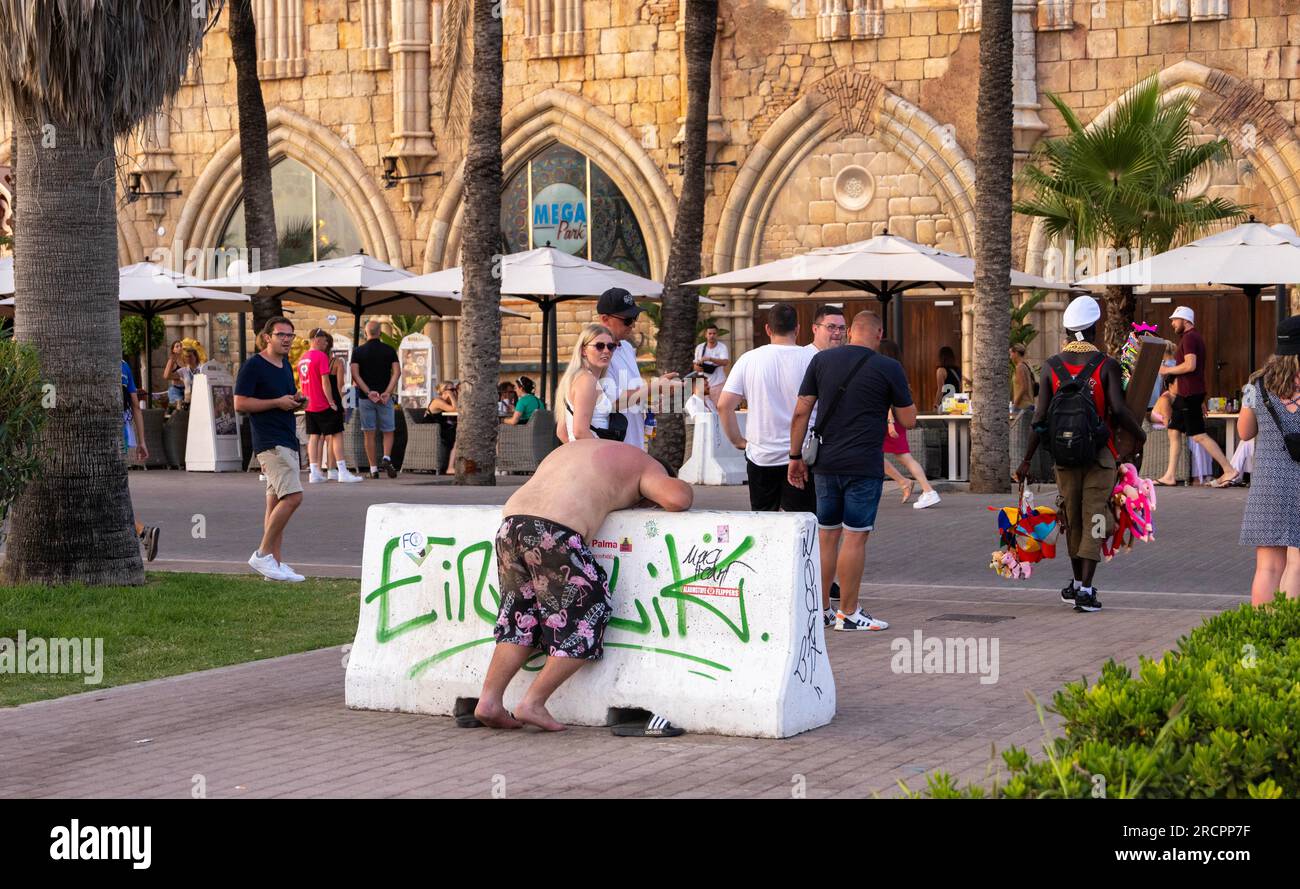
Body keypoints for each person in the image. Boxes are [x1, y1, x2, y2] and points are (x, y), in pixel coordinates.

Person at [473, 439, 694, 731]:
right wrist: (682, 485)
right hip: (554, 531)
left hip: (511, 525)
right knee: (589, 614)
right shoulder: (646, 465)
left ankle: (489, 700)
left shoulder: (581, 449)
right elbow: (677, 499)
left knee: (520, 617)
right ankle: (533, 703)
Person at [1015, 295, 1145, 614]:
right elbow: (1118, 408)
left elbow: (1040, 418)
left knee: (1071, 518)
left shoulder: (1051, 367)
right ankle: (1086, 589)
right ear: (1093, 330)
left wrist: (1027, 459)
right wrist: (1140, 435)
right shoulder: (1106, 365)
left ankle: (1076, 585)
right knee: (1096, 517)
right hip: (1100, 456)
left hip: (1064, 457)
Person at [790, 310, 912, 632]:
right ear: (879, 333)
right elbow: (908, 420)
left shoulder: (821, 361)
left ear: (850, 332)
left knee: (826, 536)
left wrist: (794, 456)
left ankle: (822, 611)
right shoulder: (889, 367)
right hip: (864, 465)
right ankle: (849, 612)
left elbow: (802, 411)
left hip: (825, 464)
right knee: (855, 538)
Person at [718, 303, 816, 514]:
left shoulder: (749, 359)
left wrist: (738, 441)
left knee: (763, 521)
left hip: (761, 454)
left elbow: (724, 406)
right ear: (797, 329)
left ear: (768, 330)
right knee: (802, 522)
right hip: (802, 455)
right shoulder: (812, 359)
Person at [235, 316, 308, 583]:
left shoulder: (285, 366)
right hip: (270, 441)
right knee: (294, 497)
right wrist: (277, 402)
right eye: (282, 335)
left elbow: (285, 399)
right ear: (267, 337)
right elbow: (240, 403)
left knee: (276, 500)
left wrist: (297, 400)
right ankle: (263, 554)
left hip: (287, 437)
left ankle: (273, 565)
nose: (287, 339)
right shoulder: (253, 366)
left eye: (290, 335)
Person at [1236, 316, 1300, 604]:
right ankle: (1290, 633)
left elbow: (1244, 432)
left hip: (1267, 486)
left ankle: (1263, 632)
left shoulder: (1256, 383)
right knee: (1297, 564)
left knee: (1268, 566)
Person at [1156, 306, 1237, 487]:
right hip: (1188, 393)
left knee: (1198, 435)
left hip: (1189, 394)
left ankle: (1229, 470)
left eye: (1175, 320)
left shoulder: (1190, 338)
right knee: (1174, 430)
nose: (1172, 323)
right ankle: (1170, 475)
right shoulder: (1191, 338)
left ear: (1185, 320)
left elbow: (1190, 365)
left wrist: (1167, 370)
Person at [878, 339, 940, 509]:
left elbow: (886, 399)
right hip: (896, 419)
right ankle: (906, 482)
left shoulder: (884, 370)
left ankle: (926, 490)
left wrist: (890, 424)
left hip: (889, 421)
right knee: (880, 455)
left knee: (900, 456)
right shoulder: (898, 371)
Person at [302, 329, 363, 484]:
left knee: (314, 436)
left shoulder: (303, 358)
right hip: (325, 402)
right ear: (316, 339)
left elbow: (304, 383)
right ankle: (340, 470)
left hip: (310, 403)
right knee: (336, 435)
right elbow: (328, 382)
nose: (326, 343)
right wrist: (332, 402)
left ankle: (314, 471)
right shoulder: (323, 357)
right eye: (324, 340)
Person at [596, 287, 651, 450]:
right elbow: (612, 402)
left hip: (634, 442)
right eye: (627, 320)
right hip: (613, 449)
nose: (633, 324)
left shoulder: (626, 347)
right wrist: (653, 389)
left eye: (635, 317)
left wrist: (651, 399)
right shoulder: (596, 353)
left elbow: (632, 391)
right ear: (605, 319)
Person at [350, 319, 401, 479]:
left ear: (366, 333)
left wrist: (369, 392)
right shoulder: (389, 350)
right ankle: (386, 458)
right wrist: (387, 392)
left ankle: (373, 469)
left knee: (369, 433)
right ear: (380, 332)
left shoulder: (358, 351)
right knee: (388, 430)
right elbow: (397, 372)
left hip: (367, 399)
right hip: (385, 399)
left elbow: (355, 374)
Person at [121, 359, 160, 561]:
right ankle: (142, 533)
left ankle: (143, 531)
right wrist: (142, 441)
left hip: (101, 439)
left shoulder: (92, 360)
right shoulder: (125, 366)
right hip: (123, 438)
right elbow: (136, 405)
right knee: (116, 493)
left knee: (109, 496)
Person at [558, 324, 621, 441]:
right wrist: (601, 454)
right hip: (592, 455)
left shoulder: (576, 378)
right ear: (583, 350)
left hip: (582, 454)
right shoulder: (587, 380)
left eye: (611, 346)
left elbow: (562, 432)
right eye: (599, 346)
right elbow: (580, 432)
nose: (606, 351)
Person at [693, 321, 730, 406]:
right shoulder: (700, 347)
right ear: (705, 335)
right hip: (701, 384)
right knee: (702, 409)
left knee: (718, 408)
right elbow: (695, 365)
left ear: (717, 335)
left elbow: (725, 362)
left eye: (714, 333)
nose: (712, 336)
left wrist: (710, 359)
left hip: (717, 383)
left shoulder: (722, 347)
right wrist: (697, 367)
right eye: (709, 333)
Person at [427, 381, 460, 474]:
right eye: (451, 390)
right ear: (444, 391)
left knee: (462, 432)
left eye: (455, 389)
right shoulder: (438, 401)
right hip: (431, 430)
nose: (454, 391)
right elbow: (456, 409)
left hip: (442, 428)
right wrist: (451, 396)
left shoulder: (447, 402)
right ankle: (450, 467)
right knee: (460, 436)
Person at [935, 345, 963, 410]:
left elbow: (940, 390)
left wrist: (935, 404)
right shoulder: (958, 370)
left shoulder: (941, 370)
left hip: (946, 404)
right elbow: (960, 387)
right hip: (958, 404)